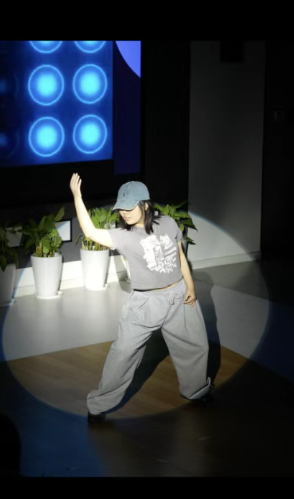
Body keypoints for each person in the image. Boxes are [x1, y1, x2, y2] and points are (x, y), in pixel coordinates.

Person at [69, 174, 213, 423]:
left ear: (145, 204)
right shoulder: (123, 236)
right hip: (145, 303)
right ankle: (99, 405)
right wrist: (77, 197)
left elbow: (179, 255)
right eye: (121, 208)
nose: (124, 212)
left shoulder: (168, 223)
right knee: (123, 353)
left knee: (196, 346)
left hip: (178, 295)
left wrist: (190, 285)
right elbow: (90, 232)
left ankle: (197, 391)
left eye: (129, 207)